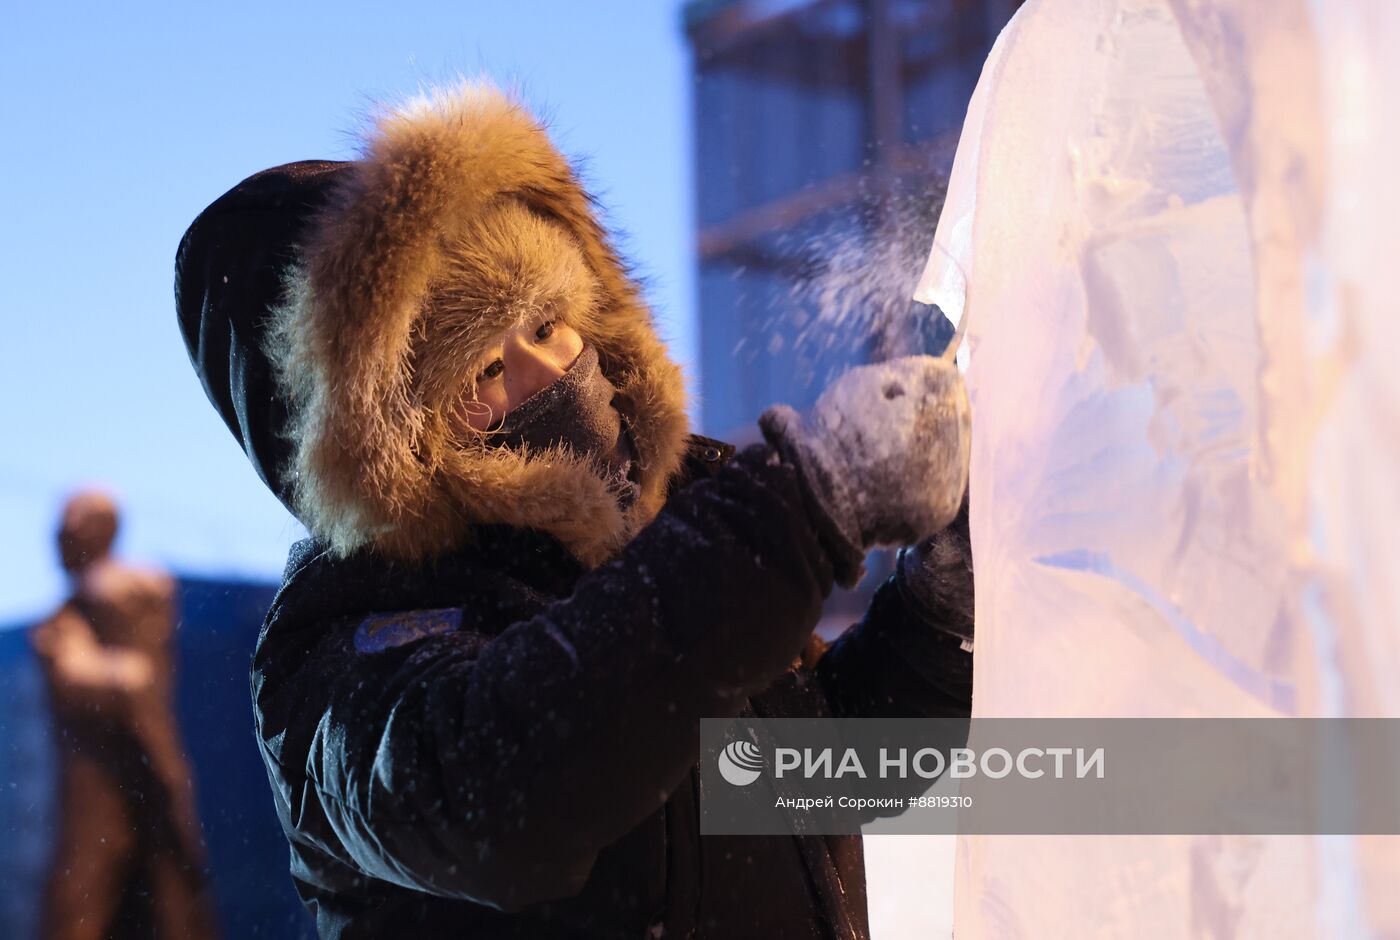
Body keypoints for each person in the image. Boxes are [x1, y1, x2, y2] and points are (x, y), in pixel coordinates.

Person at [176, 82, 975, 939]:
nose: (553, 370)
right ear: (386, 442)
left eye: (550, 322)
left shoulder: (668, 536)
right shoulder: (339, 650)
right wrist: (807, 506)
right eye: (484, 367)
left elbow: (816, 779)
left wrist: (939, 605)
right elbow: (505, 794)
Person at [31, 491, 219, 940]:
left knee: (168, 883)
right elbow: (98, 677)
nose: (57, 539)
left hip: (138, 764)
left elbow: (131, 677)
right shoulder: (63, 623)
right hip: (105, 776)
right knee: (103, 886)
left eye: (69, 528)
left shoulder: (120, 592)